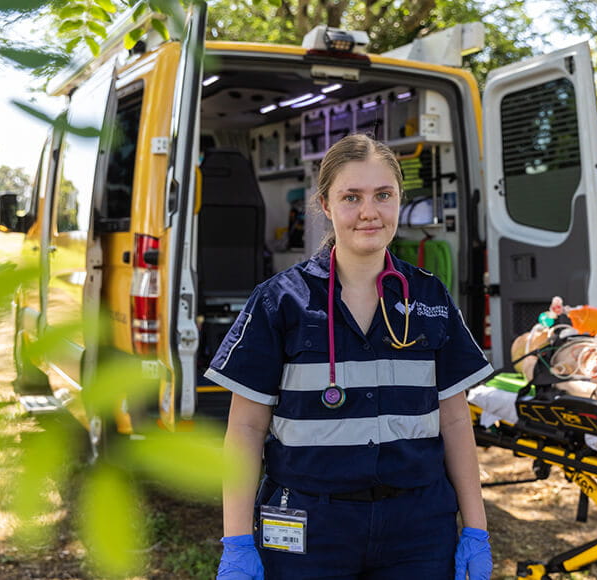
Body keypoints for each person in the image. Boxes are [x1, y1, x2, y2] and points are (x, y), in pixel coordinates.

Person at [208, 134, 495, 580]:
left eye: (384, 195)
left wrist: (476, 530)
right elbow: (245, 428)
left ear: (400, 200)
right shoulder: (279, 302)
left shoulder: (430, 298)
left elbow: (455, 421)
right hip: (308, 527)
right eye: (351, 197)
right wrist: (237, 542)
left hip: (417, 529)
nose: (369, 211)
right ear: (325, 204)